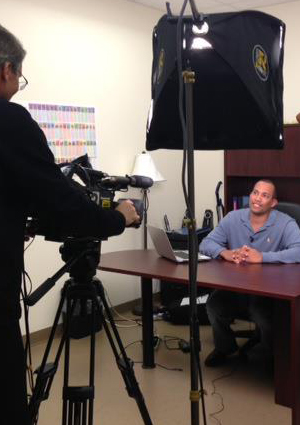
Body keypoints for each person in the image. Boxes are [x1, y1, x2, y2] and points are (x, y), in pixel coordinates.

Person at [0, 24, 140, 425]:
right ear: (7, 70)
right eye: (19, 79)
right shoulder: (10, 120)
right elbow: (66, 206)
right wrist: (117, 217)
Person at [199, 179, 300, 367]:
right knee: (214, 304)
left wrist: (262, 257)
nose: (258, 199)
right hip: (236, 286)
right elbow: (206, 243)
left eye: (265, 195)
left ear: (273, 203)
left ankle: (273, 355)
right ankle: (225, 348)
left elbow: (298, 251)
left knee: (260, 312)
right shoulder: (233, 218)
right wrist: (225, 253)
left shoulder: (285, 223)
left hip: (268, 290)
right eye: (255, 193)